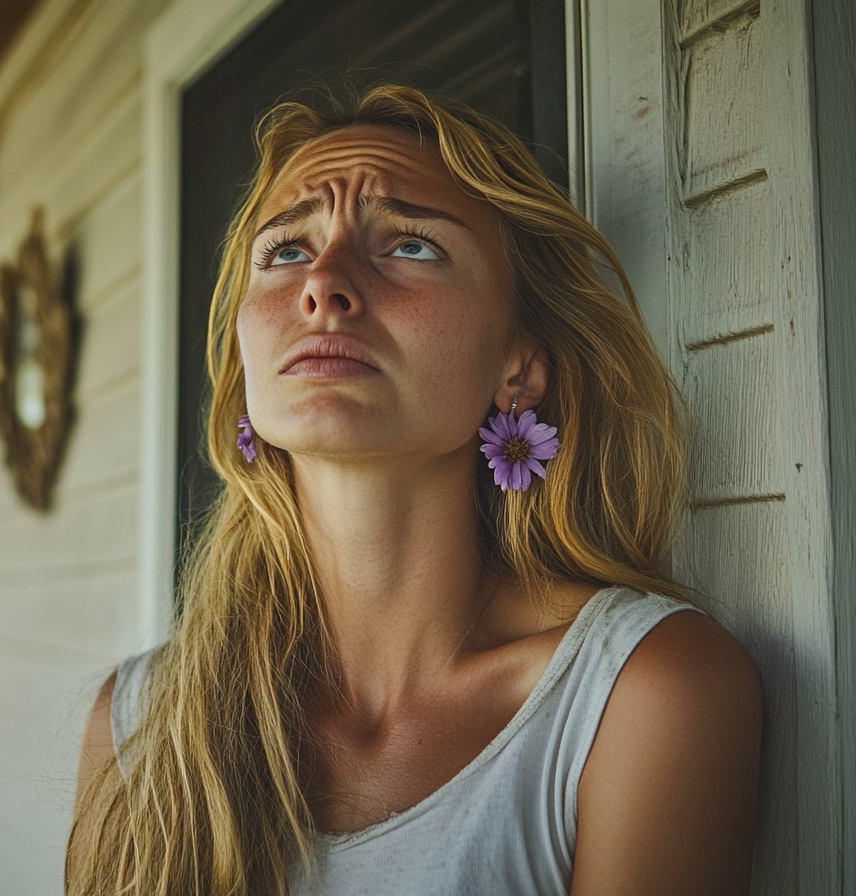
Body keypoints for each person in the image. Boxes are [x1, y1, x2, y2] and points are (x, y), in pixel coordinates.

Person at [66, 85, 762, 896]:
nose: (323, 286)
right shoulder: (140, 724)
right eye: (287, 250)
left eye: (409, 245)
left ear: (518, 368)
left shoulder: (637, 694)